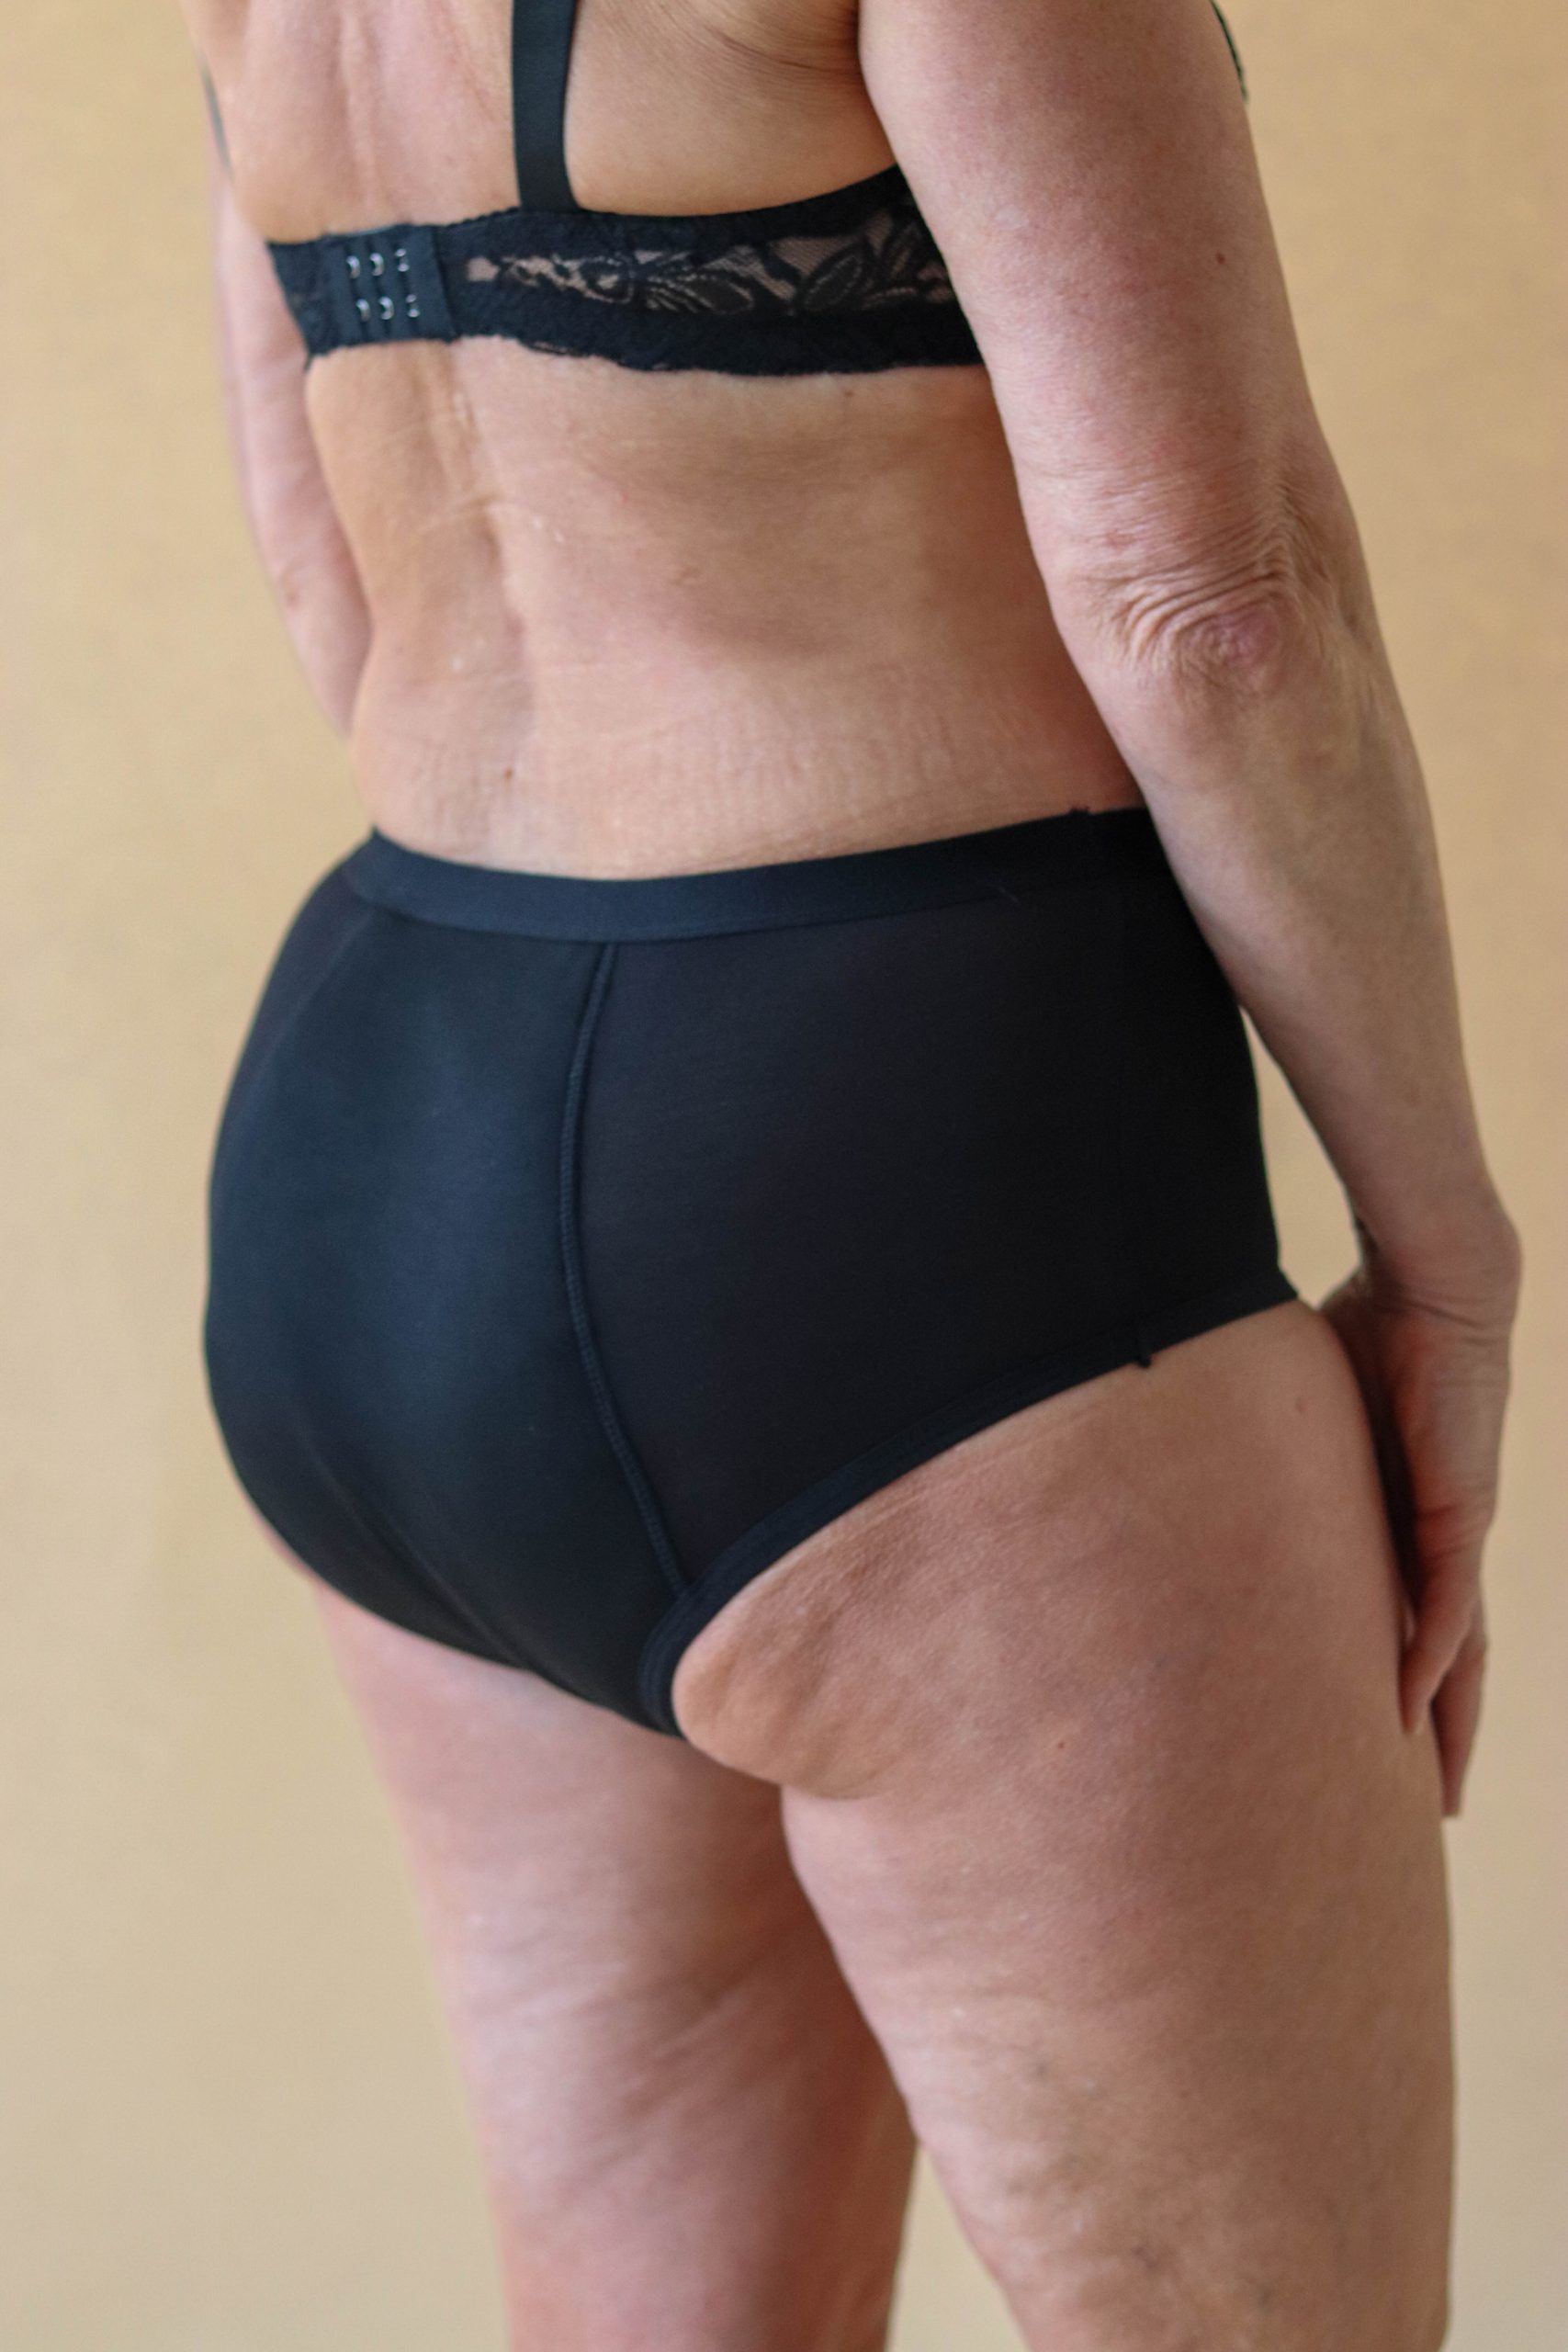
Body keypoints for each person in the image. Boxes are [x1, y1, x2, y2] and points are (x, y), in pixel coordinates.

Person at [187, 0, 1521, 2343]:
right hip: (898, 1174)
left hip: (383, 1132)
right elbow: (1208, 607)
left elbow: (325, 571)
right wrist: (1442, 1262)